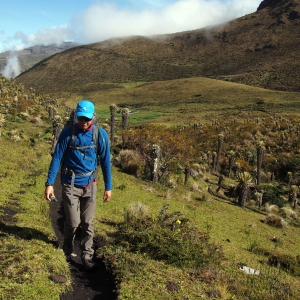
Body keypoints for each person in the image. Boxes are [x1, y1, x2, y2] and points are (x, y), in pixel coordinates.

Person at [45, 100, 112, 270]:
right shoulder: (68, 133)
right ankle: (68, 246)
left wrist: (108, 187)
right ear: (76, 117)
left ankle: (87, 254)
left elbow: (105, 162)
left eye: (87, 119)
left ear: (94, 117)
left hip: (90, 184)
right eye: (81, 118)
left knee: (88, 222)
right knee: (73, 222)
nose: (84, 122)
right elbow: (57, 158)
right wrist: (50, 183)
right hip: (70, 184)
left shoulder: (100, 135)